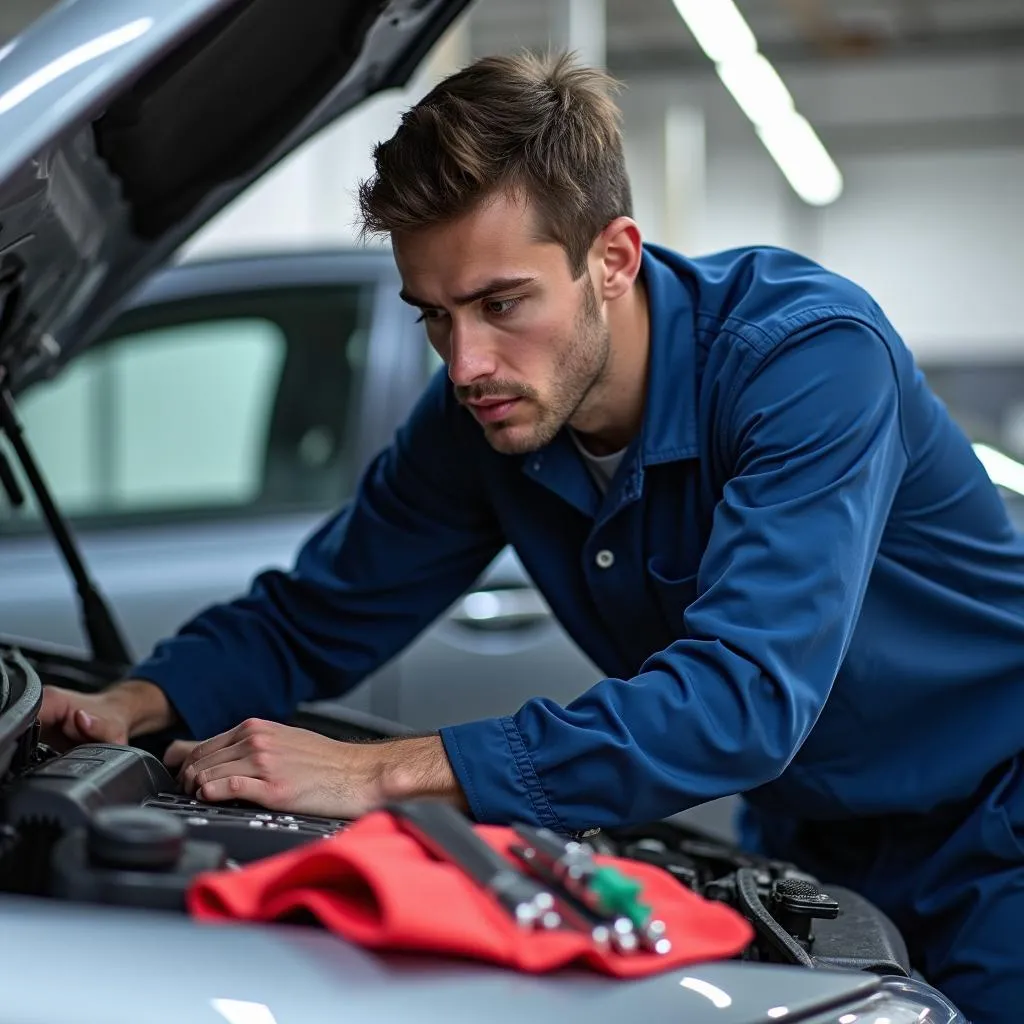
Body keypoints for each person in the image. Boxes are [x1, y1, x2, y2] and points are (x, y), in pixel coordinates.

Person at [39, 50, 1024, 1020]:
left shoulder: (804, 362)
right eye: (434, 316)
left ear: (613, 258)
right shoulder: (479, 416)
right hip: (814, 839)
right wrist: (136, 701)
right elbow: (316, 614)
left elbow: (741, 700)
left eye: (501, 304)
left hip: (995, 819)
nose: (467, 364)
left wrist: (376, 771)